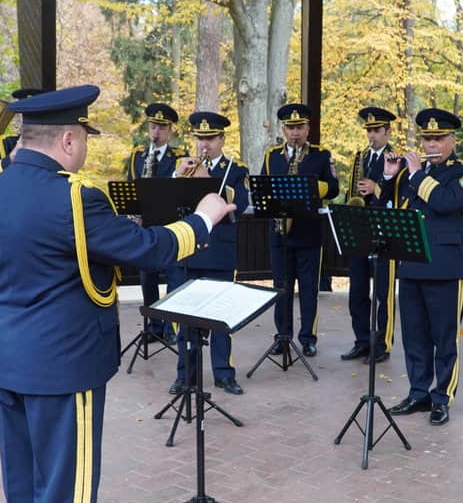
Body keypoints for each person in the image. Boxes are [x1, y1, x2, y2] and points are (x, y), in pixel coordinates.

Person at [0, 85, 234, 503]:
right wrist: (205, 216)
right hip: (65, 362)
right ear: (68, 140)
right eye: (84, 139)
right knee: (67, 488)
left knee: (24, 484)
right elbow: (152, 250)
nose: (86, 150)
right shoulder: (73, 197)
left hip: (12, 354)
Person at [388, 108, 463, 426]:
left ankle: (442, 397)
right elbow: (392, 208)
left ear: (453, 140)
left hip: (445, 266)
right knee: (414, 335)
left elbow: (444, 202)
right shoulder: (412, 173)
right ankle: (418, 392)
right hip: (411, 262)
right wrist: (389, 177)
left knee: (445, 335)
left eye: (438, 139)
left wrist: (415, 176)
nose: (431, 145)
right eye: (427, 139)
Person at [168, 111, 251, 396]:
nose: (204, 145)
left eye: (210, 139)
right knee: (185, 317)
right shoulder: (181, 167)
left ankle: (224, 373)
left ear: (222, 139)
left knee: (221, 319)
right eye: (200, 138)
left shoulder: (236, 170)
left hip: (219, 253)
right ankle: (185, 375)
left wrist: (207, 181)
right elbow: (165, 203)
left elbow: (238, 204)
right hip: (188, 252)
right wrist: (176, 176)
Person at [260, 103, 339, 356]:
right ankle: (282, 336)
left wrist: (312, 188)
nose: (295, 133)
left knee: (308, 289)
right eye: (290, 128)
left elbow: (334, 188)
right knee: (280, 288)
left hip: (308, 232)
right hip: (280, 234)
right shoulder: (272, 155)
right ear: (283, 129)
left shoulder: (320, 155)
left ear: (308, 128)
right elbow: (263, 187)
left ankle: (308, 338)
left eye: (300, 127)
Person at [340, 106, 399, 364]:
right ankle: (362, 341)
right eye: (369, 130)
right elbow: (352, 190)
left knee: (383, 294)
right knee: (358, 292)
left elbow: (399, 198)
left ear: (388, 131)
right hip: (360, 232)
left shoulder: (398, 160)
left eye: (376, 130)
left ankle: (382, 344)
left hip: (385, 234)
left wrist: (376, 189)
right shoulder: (359, 158)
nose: (372, 135)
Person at [127, 103, 181, 345]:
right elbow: (130, 188)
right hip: (145, 227)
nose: (156, 132)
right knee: (147, 279)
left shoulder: (178, 158)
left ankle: (171, 326)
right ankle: (153, 327)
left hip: (169, 227)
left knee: (173, 278)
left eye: (161, 127)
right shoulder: (137, 157)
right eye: (152, 126)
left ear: (170, 130)